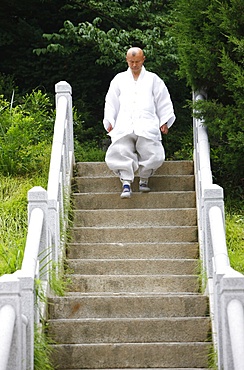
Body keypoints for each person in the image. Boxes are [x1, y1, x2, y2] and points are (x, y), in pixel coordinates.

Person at [103, 47, 176, 199]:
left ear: (143, 60)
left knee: (152, 151)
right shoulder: (119, 79)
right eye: (131, 62)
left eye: (137, 62)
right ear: (127, 60)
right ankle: (126, 183)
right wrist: (110, 120)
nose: (134, 65)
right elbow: (111, 101)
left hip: (147, 122)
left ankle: (144, 178)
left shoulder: (153, 79)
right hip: (124, 122)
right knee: (121, 150)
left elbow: (163, 100)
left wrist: (164, 121)